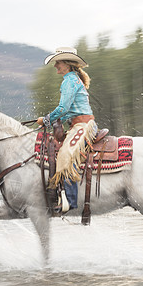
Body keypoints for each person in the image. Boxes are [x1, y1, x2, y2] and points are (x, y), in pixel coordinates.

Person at [37, 47, 97, 211]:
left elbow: (63, 109)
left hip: (83, 125)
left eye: (58, 62)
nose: (55, 65)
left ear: (67, 64)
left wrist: (47, 119)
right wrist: (49, 122)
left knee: (66, 154)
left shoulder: (69, 81)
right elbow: (68, 112)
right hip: (79, 124)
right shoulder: (73, 79)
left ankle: (70, 200)